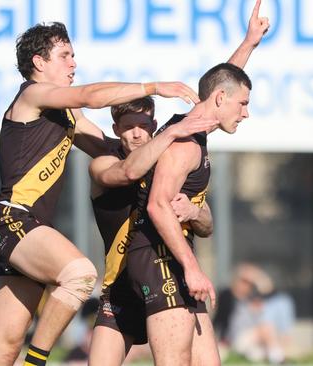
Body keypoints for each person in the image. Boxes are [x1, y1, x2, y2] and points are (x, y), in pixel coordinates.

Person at [0, 21, 206, 366]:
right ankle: (36, 363)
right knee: (79, 275)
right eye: (65, 55)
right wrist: (154, 87)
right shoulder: (33, 93)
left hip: (28, 233)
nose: (73, 63)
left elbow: (113, 150)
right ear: (39, 63)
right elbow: (88, 96)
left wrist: (167, 140)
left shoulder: (67, 114)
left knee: (3, 350)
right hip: (12, 220)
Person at [87, 97, 217, 366]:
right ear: (115, 129)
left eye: (143, 126)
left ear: (153, 125)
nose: (136, 133)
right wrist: (171, 132)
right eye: (128, 127)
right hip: (119, 287)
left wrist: (194, 212)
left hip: (164, 274)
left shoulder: (170, 163)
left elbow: (208, 226)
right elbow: (129, 172)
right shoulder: (104, 163)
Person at [227, 263, 295, 364]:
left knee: (281, 303)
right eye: (244, 281)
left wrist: (258, 277)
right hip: (239, 340)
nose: (246, 285)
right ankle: (278, 359)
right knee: (265, 328)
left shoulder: (256, 298)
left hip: (256, 342)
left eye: (250, 283)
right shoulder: (231, 296)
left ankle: (275, 355)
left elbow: (268, 288)